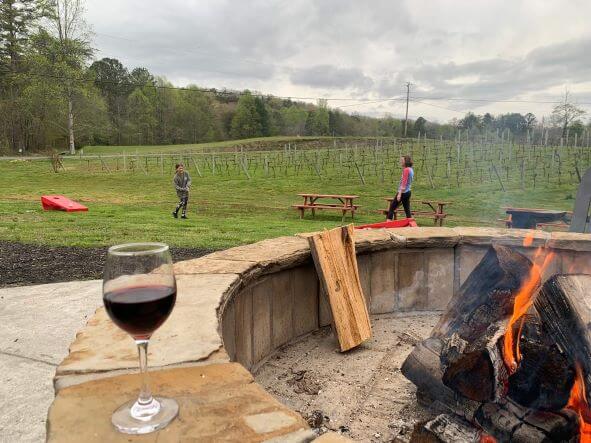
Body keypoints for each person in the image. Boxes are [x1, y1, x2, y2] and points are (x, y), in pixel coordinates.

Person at [387, 155, 414, 221]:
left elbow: (404, 183)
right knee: (407, 209)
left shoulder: (406, 170)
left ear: (406, 161)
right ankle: (410, 224)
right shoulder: (411, 169)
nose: (401, 162)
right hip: (408, 192)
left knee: (392, 207)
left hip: (403, 192)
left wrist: (399, 194)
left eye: (402, 160)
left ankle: (388, 222)